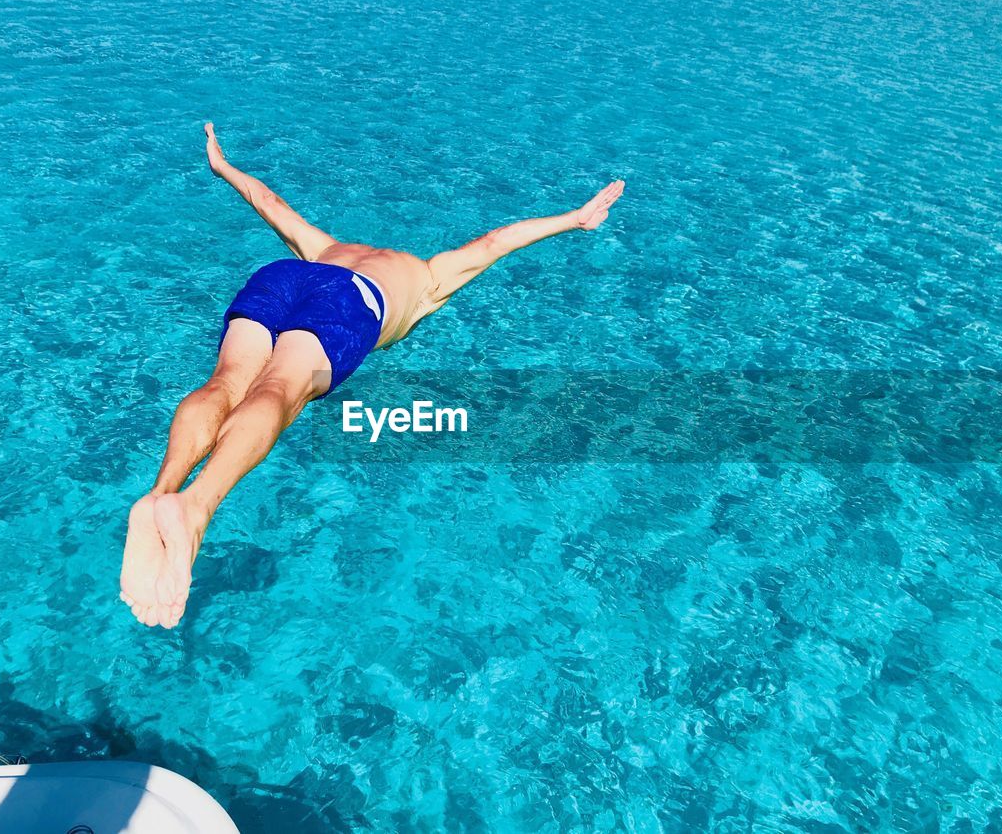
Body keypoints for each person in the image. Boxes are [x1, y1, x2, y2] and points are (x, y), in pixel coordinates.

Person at [120, 123, 625, 628]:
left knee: (225, 382)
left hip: (286, 274)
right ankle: (196, 509)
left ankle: (161, 491)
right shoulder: (430, 277)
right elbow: (497, 241)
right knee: (280, 389)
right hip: (352, 302)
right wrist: (573, 220)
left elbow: (268, 201)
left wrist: (222, 165)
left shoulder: (323, 245)